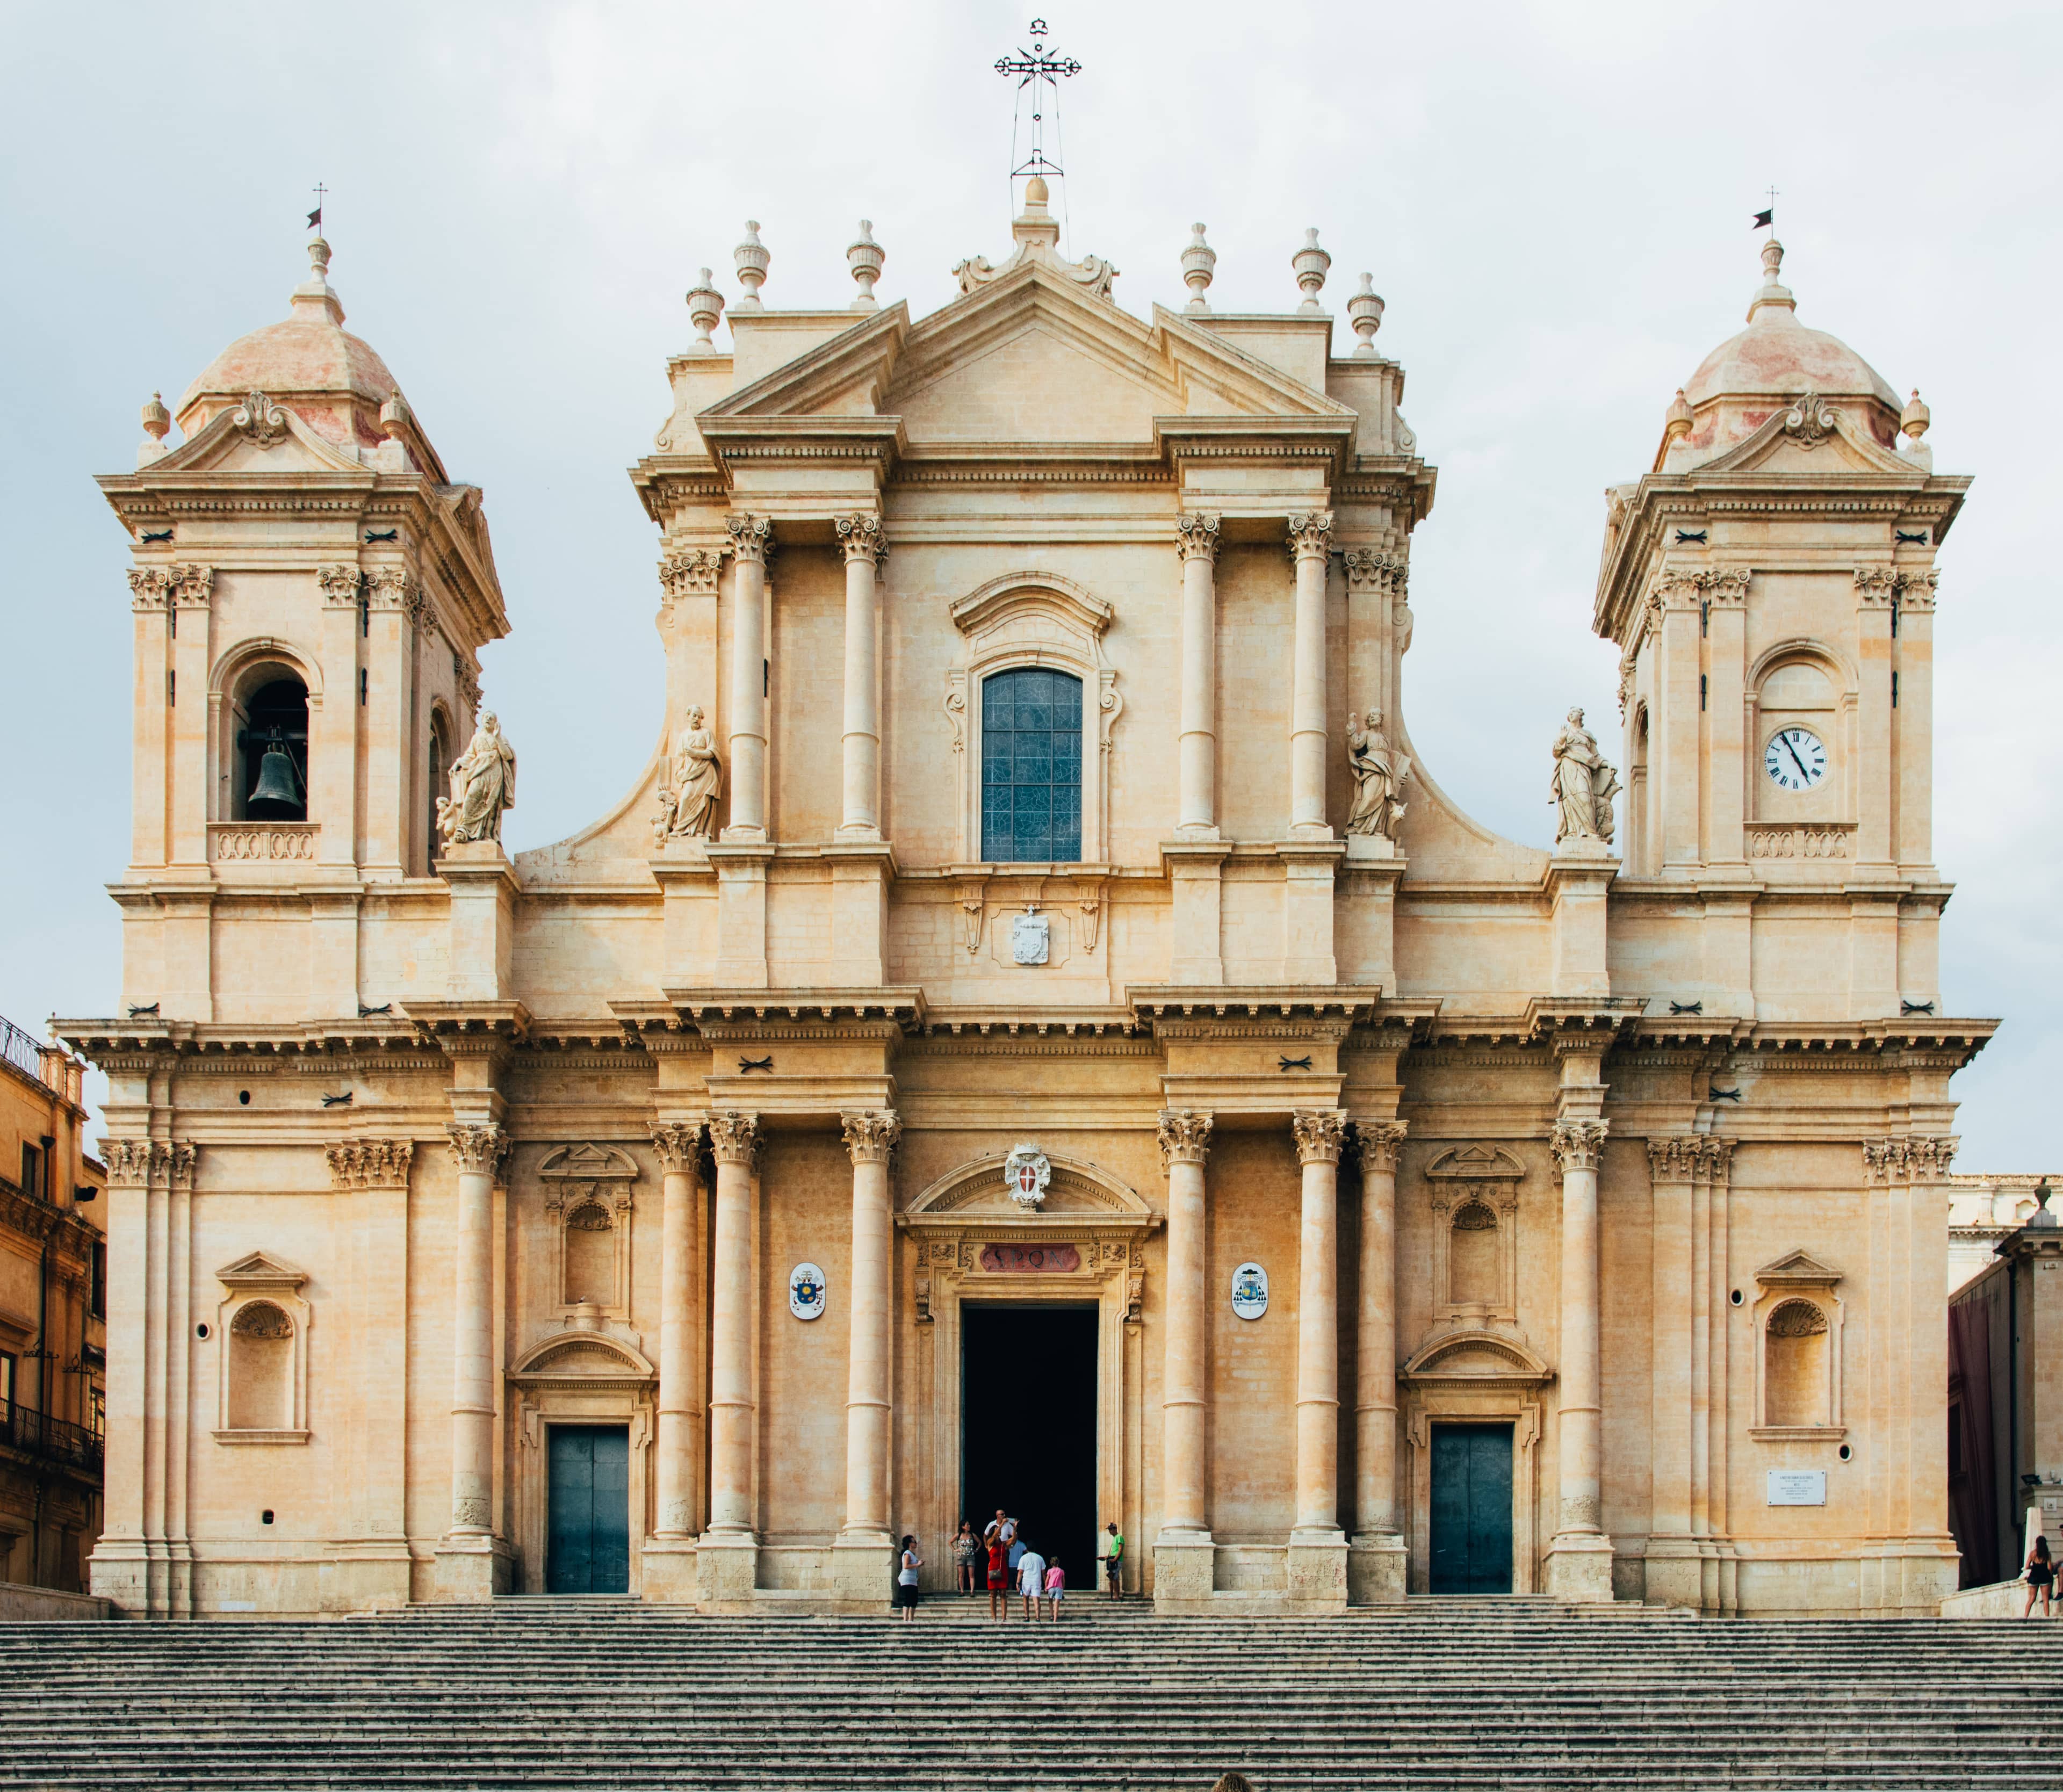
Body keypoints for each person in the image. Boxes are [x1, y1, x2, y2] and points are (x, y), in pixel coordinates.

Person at [2024, 1534, 2054, 1617]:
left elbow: (2026, 1566)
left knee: (2032, 1599)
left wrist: (2034, 1567)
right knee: (2045, 1599)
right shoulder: (2047, 1554)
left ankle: (2025, 1617)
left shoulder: (2032, 1554)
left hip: (2034, 1576)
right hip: (2045, 1576)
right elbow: (2049, 1567)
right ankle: (2047, 1617)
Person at [1016, 1539, 1047, 1622]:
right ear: (1035, 1548)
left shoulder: (1023, 1558)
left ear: (1027, 1548)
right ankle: (1038, 1617)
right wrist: (1046, 1584)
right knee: (1036, 1599)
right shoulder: (1040, 1558)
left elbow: (1020, 1572)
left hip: (1026, 1580)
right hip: (1036, 1581)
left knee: (1025, 1598)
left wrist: (1018, 1583)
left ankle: (1027, 1616)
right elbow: (1044, 1573)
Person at [896, 1535, 922, 1622]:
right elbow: (906, 1566)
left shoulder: (912, 1554)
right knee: (908, 1599)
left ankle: (911, 1619)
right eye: (914, 1542)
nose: (916, 1543)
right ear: (910, 1544)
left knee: (914, 1600)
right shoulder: (907, 1553)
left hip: (913, 1580)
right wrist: (918, 1565)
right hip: (907, 1579)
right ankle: (905, 1619)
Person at [985, 1529, 1011, 1622]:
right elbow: (993, 1538)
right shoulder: (990, 1543)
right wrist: (1001, 1524)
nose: (1000, 1533)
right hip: (992, 1569)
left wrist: (1015, 1529)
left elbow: (1014, 1540)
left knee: (1003, 1594)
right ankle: (994, 1617)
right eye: (998, 1531)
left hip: (1002, 1569)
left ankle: (1004, 1617)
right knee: (993, 1594)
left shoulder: (1003, 1544)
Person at [953, 1519, 980, 1595]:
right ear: (963, 1527)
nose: (969, 1526)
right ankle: (962, 1591)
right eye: (967, 1525)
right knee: (961, 1574)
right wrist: (955, 1550)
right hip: (961, 1556)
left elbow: (979, 1542)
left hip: (970, 1556)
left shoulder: (972, 1535)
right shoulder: (958, 1535)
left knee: (971, 1574)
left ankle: (972, 1591)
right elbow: (950, 1542)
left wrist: (976, 1550)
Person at [1103, 1521, 1125, 1599]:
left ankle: (1117, 1596)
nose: (1109, 1531)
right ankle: (1113, 1596)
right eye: (1109, 1529)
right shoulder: (1115, 1538)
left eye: (1110, 1529)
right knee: (1111, 1577)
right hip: (1113, 1560)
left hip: (1117, 1561)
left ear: (1115, 1529)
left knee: (1115, 1578)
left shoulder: (1119, 1537)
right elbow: (1114, 1551)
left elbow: (1120, 1550)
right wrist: (1106, 1557)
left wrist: (1115, 1559)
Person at [1043, 1555, 1065, 1622]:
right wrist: (1063, 1589)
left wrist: (1046, 1588)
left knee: (1050, 1601)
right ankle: (1055, 1620)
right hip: (1059, 1588)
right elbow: (1063, 1581)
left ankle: (1052, 1615)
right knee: (1057, 1604)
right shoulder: (1061, 1571)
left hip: (1051, 1588)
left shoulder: (1049, 1571)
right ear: (1058, 1563)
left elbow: (1047, 1580)